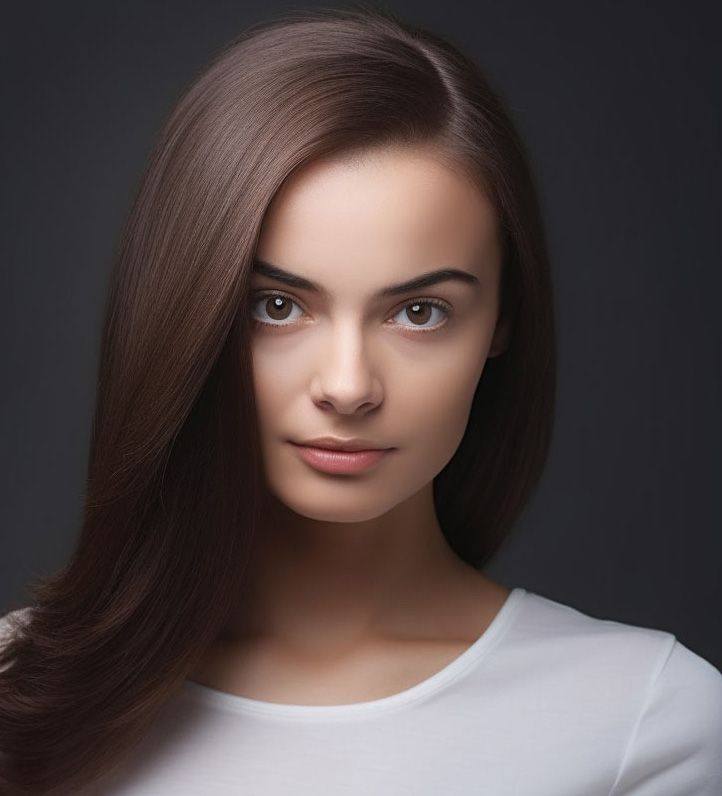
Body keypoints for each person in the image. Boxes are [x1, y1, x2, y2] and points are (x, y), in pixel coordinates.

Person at [1, 6, 720, 795]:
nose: (347, 386)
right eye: (277, 306)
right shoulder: (21, 695)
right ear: (185, 312)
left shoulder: (647, 723)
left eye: (419, 312)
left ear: (502, 322)